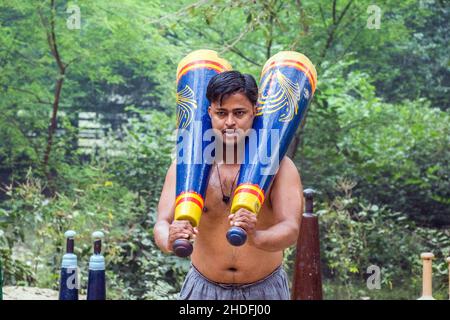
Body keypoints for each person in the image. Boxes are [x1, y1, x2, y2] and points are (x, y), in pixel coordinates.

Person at [154, 70, 303, 300]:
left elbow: (291, 229)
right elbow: (162, 223)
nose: (230, 122)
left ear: (255, 111)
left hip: (264, 290)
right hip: (203, 288)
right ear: (210, 112)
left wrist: (255, 236)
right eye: (221, 113)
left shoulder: (281, 167)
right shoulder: (185, 167)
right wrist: (170, 239)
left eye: (239, 113)